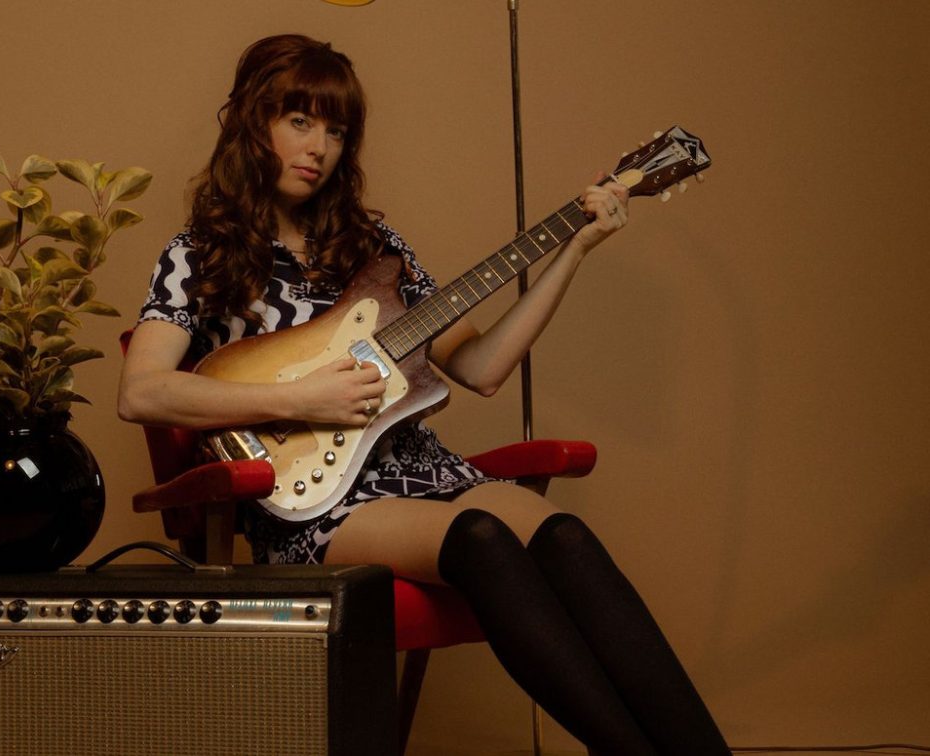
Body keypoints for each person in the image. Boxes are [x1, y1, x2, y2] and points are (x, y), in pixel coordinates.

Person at [118, 33, 730, 755]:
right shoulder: (199, 254)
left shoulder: (377, 251)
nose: (318, 148)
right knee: (482, 537)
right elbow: (144, 393)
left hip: (421, 468)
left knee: (563, 536)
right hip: (318, 501)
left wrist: (575, 250)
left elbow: (481, 368)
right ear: (255, 122)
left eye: (336, 131)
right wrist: (302, 400)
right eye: (300, 121)